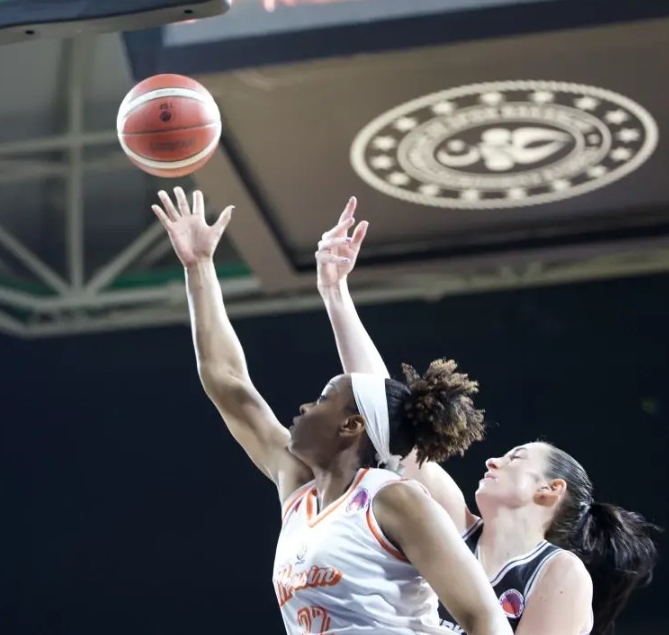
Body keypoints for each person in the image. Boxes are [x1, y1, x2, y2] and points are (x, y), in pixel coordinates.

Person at [152, 188, 512, 635]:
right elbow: (227, 383)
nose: (305, 406)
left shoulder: (393, 499)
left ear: (353, 425)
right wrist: (199, 267)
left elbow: (485, 618)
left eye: (323, 399)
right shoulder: (299, 492)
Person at [314, 197, 661, 635]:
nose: (492, 460)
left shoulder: (560, 572)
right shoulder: (451, 531)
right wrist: (336, 293)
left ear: (551, 489)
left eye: (515, 458)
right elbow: (385, 416)